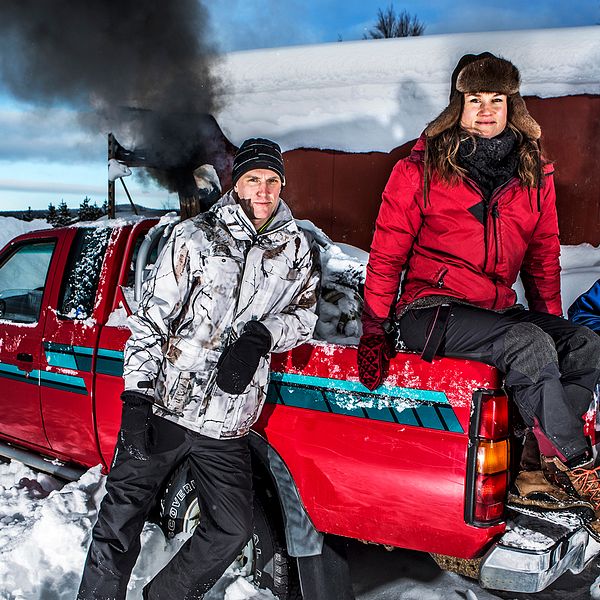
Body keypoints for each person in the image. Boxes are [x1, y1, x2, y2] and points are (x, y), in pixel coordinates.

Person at [357, 53, 600, 532]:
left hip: (493, 312)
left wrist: (554, 325)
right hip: (429, 311)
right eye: (474, 100)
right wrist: (373, 329)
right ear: (457, 106)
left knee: (585, 343)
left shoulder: (533, 174)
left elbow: (541, 260)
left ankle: (534, 468)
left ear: (513, 105)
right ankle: (580, 467)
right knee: (524, 343)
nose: (486, 110)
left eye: (496, 99)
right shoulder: (420, 170)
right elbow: (387, 255)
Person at [78, 138, 321, 600]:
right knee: (120, 521)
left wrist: (264, 336)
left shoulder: (295, 248)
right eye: (253, 180)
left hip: (227, 423)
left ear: (282, 185)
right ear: (237, 183)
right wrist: (136, 398)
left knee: (232, 528)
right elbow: (150, 321)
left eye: (272, 181)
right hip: (167, 407)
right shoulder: (196, 237)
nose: (263, 191)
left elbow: (305, 315)